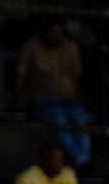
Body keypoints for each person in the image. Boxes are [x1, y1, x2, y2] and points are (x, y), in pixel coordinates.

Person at [14, 20, 90, 168]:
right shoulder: (32, 46)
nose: (55, 36)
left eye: (58, 32)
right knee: (58, 119)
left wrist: (70, 95)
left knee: (80, 119)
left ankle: (84, 158)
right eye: (52, 32)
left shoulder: (70, 47)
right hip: (44, 102)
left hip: (68, 101)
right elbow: (22, 78)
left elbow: (76, 78)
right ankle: (80, 159)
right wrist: (13, 103)